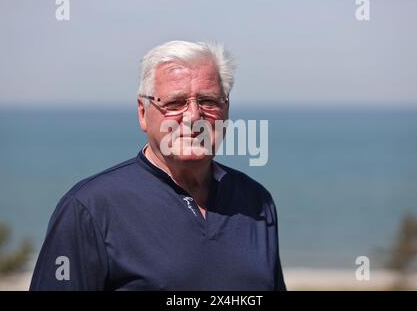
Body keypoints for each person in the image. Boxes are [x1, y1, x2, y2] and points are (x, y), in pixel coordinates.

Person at [30, 40, 286, 291]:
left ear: (226, 109)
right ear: (143, 112)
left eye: (208, 101)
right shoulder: (90, 208)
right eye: (175, 103)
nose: (194, 117)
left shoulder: (256, 201)